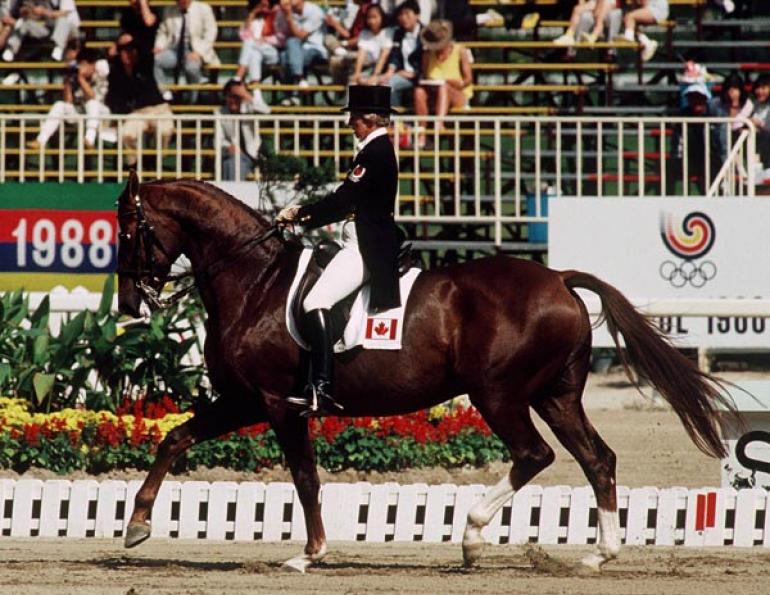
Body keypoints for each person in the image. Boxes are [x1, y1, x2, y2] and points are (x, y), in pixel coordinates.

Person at [276, 85, 401, 416]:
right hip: (358, 241)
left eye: (354, 118)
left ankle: (322, 387)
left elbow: (343, 201)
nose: (349, 124)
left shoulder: (375, 153)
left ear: (368, 120)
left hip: (365, 248)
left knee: (314, 301)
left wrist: (300, 214)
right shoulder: (374, 150)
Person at [105, 33, 173, 166]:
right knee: (126, 134)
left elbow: (147, 50)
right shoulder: (116, 72)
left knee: (165, 131)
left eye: (131, 50)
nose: (127, 54)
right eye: (124, 51)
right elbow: (114, 96)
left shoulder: (145, 64)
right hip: (138, 113)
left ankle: (155, 162)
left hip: (159, 110)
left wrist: (133, 42)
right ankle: (134, 165)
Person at [27, 47, 110, 150]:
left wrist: (81, 78)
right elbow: (68, 102)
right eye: (80, 64)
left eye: (84, 64)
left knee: (92, 103)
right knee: (60, 105)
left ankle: (89, 139)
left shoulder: (100, 77)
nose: (81, 67)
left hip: (101, 117)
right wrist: (68, 81)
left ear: (93, 65)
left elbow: (92, 97)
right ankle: (40, 140)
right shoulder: (75, 77)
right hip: (83, 116)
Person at [413, 19, 472, 148]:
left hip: (457, 93)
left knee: (444, 87)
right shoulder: (427, 54)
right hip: (434, 94)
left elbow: (468, 79)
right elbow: (425, 75)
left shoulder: (460, 50)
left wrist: (457, 83)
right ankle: (421, 131)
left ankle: (439, 124)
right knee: (419, 91)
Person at [153, 0, 219, 102]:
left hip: (195, 49)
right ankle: (165, 93)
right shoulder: (169, 10)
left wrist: (199, 52)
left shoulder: (204, 8)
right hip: (173, 49)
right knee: (155, 60)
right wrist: (159, 46)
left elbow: (211, 33)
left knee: (192, 68)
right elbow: (163, 32)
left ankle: (193, 100)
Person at [667, 82, 721, 195]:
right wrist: (678, 157)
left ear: (705, 98)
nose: (695, 101)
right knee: (668, 168)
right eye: (692, 97)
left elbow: (718, 141)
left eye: (699, 97)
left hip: (710, 159)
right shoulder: (683, 116)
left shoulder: (714, 114)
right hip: (688, 158)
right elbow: (677, 142)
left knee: (713, 172)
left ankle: (714, 199)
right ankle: (667, 200)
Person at [232, 0, 283, 113]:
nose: (264, 8)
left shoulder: (276, 16)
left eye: (266, 5)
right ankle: (257, 96)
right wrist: (252, 15)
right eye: (261, 5)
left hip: (272, 52)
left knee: (250, 43)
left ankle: (238, 76)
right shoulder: (253, 21)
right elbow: (243, 36)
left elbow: (281, 37)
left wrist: (265, 39)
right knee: (254, 53)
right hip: (257, 53)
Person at [275, 0, 327, 106]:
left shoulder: (315, 11)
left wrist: (289, 17)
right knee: (285, 55)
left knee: (290, 48)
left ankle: (293, 93)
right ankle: (299, 83)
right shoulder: (283, 12)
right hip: (292, 49)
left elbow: (300, 35)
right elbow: (280, 34)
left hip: (314, 48)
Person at [1, 0, 80, 62]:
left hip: (70, 29)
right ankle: (11, 49)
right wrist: (28, 12)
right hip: (50, 29)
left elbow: (64, 14)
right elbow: (35, 17)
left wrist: (44, 12)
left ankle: (58, 48)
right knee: (24, 23)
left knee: (63, 21)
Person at [380, 0, 422, 108]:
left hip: (419, 76)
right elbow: (395, 55)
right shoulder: (398, 33)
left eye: (407, 14)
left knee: (390, 85)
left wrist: (414, 74)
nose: (403, 17)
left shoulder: (425, 33)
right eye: (401, 14)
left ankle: (394, 116)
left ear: (417, 15)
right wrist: (389, 72)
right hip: (401, 74)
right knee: (382, 82)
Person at [217, 79, 260, 181]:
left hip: (253, 155)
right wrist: (228, 147)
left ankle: (229, 191)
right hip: (231, 155)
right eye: (230, 96)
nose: (233, 100)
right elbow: (218, 139)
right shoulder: (220, 112)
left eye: (236, 96)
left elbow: (267, 111)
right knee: (231, 162)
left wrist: (246, 95)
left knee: (233, 163)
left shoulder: (250, 108)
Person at [349, 4, 391, 85]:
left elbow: (384, 55)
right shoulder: (364, 33)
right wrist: (357, 73)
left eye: (375, 17)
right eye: (369, 18)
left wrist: (375, 75)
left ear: (382, 17)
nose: (372, 21)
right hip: (369, 67)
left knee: (373, 84)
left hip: (383, 69)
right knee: (353, 83)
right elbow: (361, 54)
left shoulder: (387, 32)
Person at [750, 74, 770, 169]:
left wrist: (760, 124)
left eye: (763, 88)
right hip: (754, 140)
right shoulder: (753, 104)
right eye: (758, 88)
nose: (760, 91)